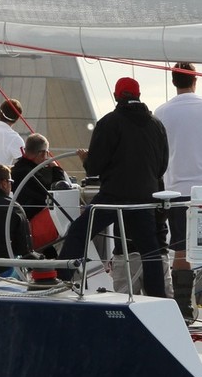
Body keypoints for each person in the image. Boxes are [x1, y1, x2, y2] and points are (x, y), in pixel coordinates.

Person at [57, 77, 169, 297]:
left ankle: (61, 279)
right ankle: (159, 297)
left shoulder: (109, 122)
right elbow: (161, 166)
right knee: (149, 249)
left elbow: (95, 167)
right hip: (144, 198)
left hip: (113, 196)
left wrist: (85, 160)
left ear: (117, 96)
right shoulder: (157, 125)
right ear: (138, 95)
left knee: (80, 232)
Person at [153, 62, 202, 323]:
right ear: (195, 79)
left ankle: (183, 310)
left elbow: (160, 152)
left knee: (180, 248)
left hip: (176, 189)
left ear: (173, 81)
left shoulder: (161, 112)